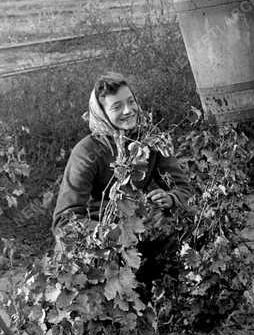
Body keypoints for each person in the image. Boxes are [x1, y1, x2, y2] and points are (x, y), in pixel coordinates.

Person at [52, 72, 191, 295]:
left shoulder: (149, 140)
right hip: (100, 245)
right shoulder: (88, 152)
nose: (128, 111)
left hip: (138, 232)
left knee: (180, 223)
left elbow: (185, 189)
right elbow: (64, 221)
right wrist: (112, 232)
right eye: (116, 107)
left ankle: (167, 291)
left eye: (131, 101)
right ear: (102, 114)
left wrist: (170, 198)